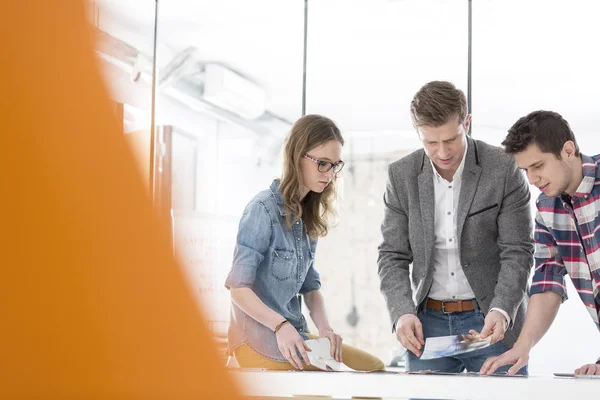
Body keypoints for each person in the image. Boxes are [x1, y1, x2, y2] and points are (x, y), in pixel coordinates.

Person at [378, 81, 534, 374]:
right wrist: (401, 312)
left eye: (451, 139)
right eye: (430, 142)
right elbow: (392, 255)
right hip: (429, 327)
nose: (442, 152)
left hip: (490, 319)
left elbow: (518, 250)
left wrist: (502, 309)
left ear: (467, 123)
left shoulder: (502, 168)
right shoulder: (401, 175)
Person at [225, 114, 384, 371]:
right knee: (347, 377)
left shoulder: (305, 216)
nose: (330, 174)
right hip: (258, 342)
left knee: (373, 367)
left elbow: (310, 288)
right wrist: (281, 325)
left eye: (334, 165)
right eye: (322, 163)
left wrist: (325, 329)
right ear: (297, 156)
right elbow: (237, 289)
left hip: (294, 338)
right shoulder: (262, 209)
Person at [481, 110, 600, 376]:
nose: (532, 179)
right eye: (525, 170)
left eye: (538, 166)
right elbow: (548, 282)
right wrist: (523, 346)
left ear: (568, 150)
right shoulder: (547, 209)